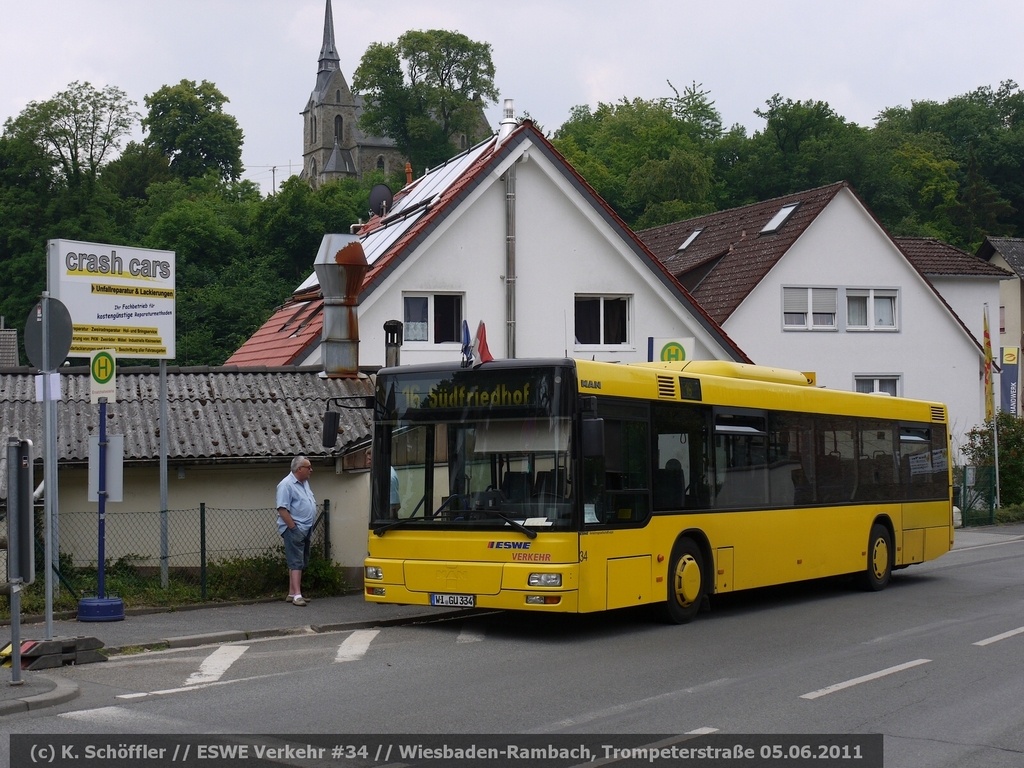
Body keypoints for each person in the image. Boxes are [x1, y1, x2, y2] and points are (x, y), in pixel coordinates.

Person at [276, 455, 316, 606]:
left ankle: (292, 592)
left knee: (300, 560)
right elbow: (282, 509)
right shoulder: (286, 485)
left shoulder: (304, 482)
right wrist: (293, 528)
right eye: (308, 467)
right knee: (296, 562)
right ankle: (297, 596)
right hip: (295, 528)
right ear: (299, 469)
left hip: (305, 528)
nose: (311, 470)